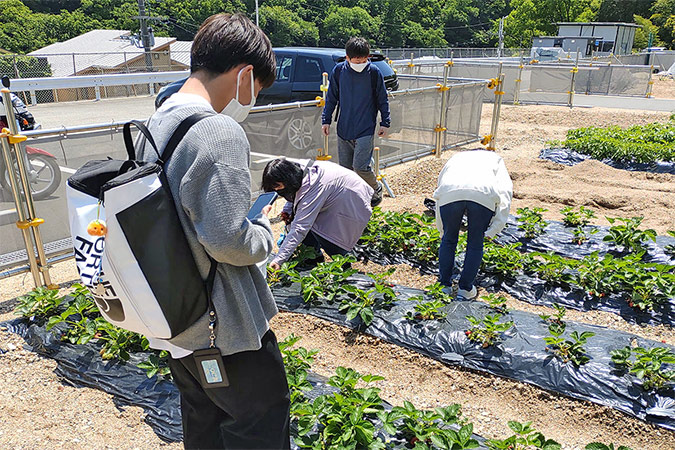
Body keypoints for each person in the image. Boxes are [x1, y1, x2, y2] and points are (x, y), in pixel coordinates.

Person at [134, 14, 290, 449]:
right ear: (244, 74)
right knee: (259, 420)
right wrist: (263, 234)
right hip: (224, 328)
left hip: (176, 318)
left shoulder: (157, 122)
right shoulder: (217, 131)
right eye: (257, 87)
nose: (252, 99)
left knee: (203, 423)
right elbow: (226, 240)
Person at [263, 158, 373, 270]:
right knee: (307, 223)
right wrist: (287, 210)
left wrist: (279, 260)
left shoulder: (314, 186)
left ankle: (343, 269)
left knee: (330, 237)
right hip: (337, 191)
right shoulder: (296, 170)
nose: (276, 190)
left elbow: (300, 227)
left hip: (351, 198)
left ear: (287, 180)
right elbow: (294, 196)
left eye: (277, 186)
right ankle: (313, 258)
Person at [433, 149, 513, 299]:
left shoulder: (456, 157)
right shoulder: (495, 159)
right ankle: (465, 289)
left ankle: (444, 286)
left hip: (450, 191)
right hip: (482, 194)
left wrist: (442, 229)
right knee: (475, 243)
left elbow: (440, 190)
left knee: (448, 240)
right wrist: (494, 229)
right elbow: (505, 191)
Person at [321, 37, 391, 207]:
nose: (360, 63)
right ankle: (353, 198)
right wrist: (326, 120)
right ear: (347, 58)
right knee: (346, 170)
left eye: (363, 59)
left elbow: (382, 98)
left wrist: (385, 122)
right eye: (356, 60)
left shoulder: (374, 73)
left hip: (366, 127)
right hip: (344, 127)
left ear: (368, 57)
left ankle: (375, 187)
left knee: (360, 166)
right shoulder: (338, 71)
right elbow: (331, 98)